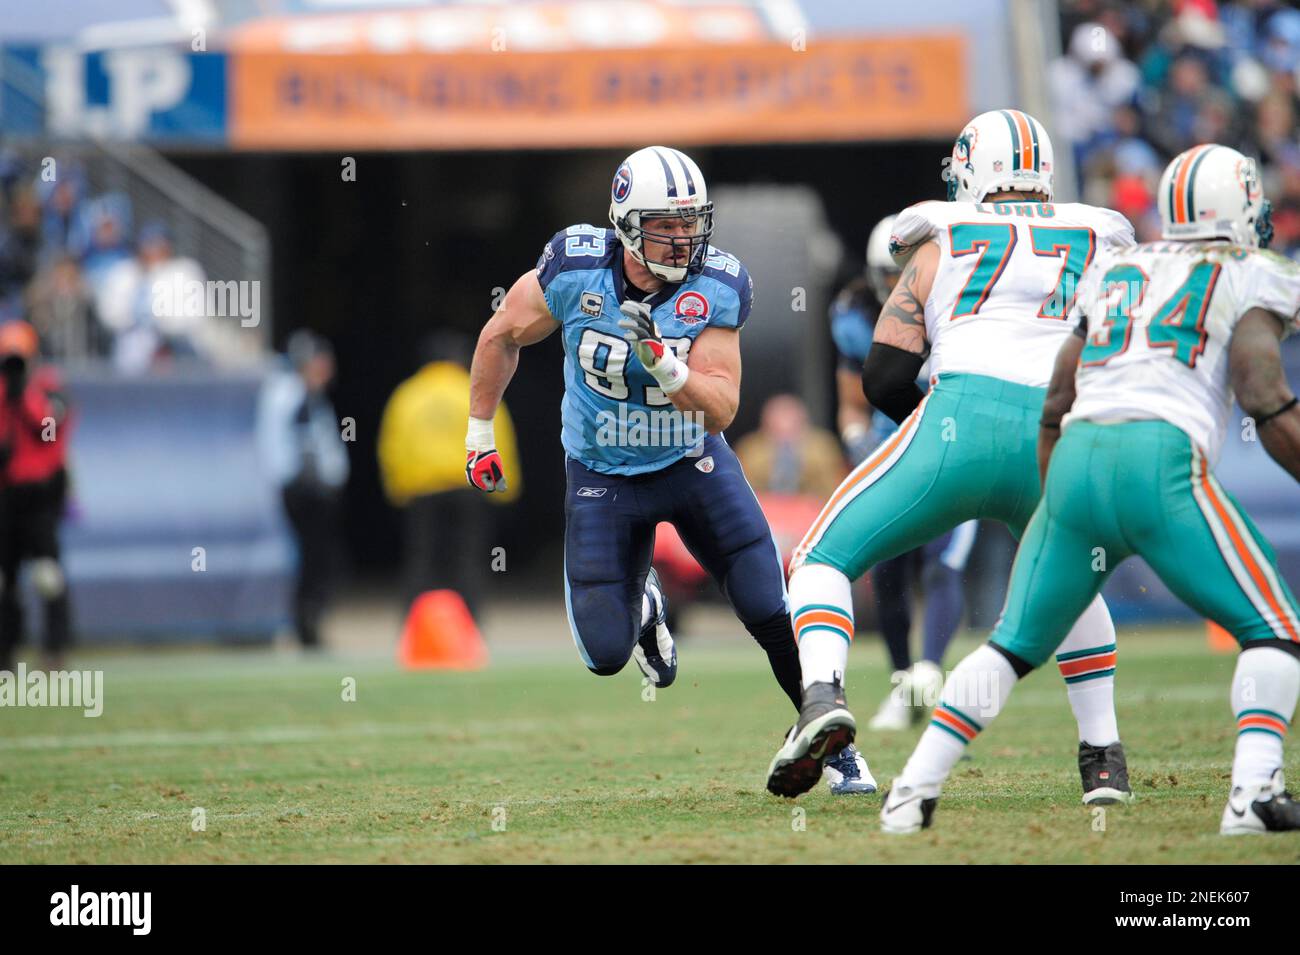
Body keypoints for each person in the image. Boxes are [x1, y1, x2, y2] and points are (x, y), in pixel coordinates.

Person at [882, 144, 1300, 835]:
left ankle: (910, 793)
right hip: (1159, 459)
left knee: (1012, 643)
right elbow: (1263, 393)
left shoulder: (1120, 268)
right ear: (1242, 207)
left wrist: (1057, 498)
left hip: (1076, 454)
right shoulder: (1252, 272)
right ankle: (1254, 792)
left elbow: (1058, 393)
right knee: (1275, 627)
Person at [465, 145, 875, 795]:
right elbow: (501, 334)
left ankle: (832, 738)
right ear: (626, 223)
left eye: (692, 222)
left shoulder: (716, 282)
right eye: (667, 224)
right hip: (601, 473)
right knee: (603, 652)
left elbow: (723, 408)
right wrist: (480, 430)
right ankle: (645, 601)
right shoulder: (574, 267)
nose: (684, 238)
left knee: (769, 603)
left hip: (691, 461)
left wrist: (667, 366)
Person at [767, 110, 1135, 803]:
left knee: (820, 556)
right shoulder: (1100, 236)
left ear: (973, 169)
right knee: (1073, 577)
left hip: (958, 420)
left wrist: (938, 438)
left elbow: (881, 373)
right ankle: (1102, 758)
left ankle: (822, 697)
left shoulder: (943, 236)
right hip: (1057, 432)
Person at [831, 215, 980, 731]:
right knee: (889, 568)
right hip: (893, 450)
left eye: (903, 274)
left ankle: (928, 671)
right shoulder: (854, 317)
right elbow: (850, 403)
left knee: (944, 564)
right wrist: (856, 440)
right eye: (886, 277)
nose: (896, 288)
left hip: (952, 448)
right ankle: (903, 683)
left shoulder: (959, 306)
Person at [378, 331, 519, 615]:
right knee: (467, 563)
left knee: (422, 563)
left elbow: (392, 445)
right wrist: (505, 490)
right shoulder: (476, 391)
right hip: (469, 492)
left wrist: (397, 488)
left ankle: (417, 627)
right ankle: (469, 630)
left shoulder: (408, 395)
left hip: (422, 492)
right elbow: (498, 440)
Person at [257, 330, 349, 649]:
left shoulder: (310, 398)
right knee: (312, 557)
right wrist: (294, 480)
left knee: (318, 557)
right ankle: (303, 624)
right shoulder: (288, 394)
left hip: (314, 490)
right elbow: (283, 447)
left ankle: (309, 622)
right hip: (301, 491)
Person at [0, 321, 72, 673]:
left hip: (39, 494)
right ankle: (5, 653)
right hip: (4, 495)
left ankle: (54, 650)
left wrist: (23, 395)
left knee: (47, 574)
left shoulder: (48, 388)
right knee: (4, 579)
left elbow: (49, 429)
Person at [732, 393, 844, 499]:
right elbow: (743, 487)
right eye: (777, 426)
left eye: (792, 424)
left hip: (813, 510)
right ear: (765, 425)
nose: (785, 434)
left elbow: (831, 486)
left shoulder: (823, 446)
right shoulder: (750, 448)